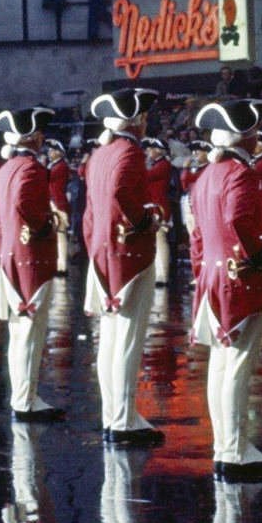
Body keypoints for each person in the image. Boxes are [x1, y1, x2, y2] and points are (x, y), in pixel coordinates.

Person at [189, 98, 262, 481]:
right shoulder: (241, 174)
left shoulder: (205, 175)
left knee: (221, 365)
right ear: (246, 135)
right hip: (238, 277)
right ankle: (235, 450)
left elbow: (197, 235)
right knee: (237, 367)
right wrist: (261, 256)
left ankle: (225, 445)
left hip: (212, 276)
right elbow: (240, 219)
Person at [83, 88, 164, 445]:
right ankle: (123, 420)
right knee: (128, 339)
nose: (146, 121)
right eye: (144, 116)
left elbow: (90, 212)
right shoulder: (130, 152)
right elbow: (121, 196)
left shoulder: (100, 152)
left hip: (101, 249)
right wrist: (144, 220)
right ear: (136, 120)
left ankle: (113, 414)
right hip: (128, 251)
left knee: (110, 339)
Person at [0, 107, 63, 421]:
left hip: (9, 253)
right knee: (30, 331)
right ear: (32, 137)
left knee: (19, 332)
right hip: (30, 256)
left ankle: (22, 395)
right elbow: (26, 205)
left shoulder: (4, 168)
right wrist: (46, 223)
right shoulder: (32, 168)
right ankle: (26, 399)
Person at [142, 137, 174, 285]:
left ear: (158, 151)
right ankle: (156, 272)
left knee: (160, 239)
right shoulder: (156, 164)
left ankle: (163, 275)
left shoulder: (163, 165)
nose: (148, 152)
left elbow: (146, 177)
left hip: (159, 205)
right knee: (154, 241)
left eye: (151, 149)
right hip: (151, 205)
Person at [44, 139, 71, 274]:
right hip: (52, 201)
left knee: (61, 234)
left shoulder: (60, 166)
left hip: (58, 202)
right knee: (56, 234)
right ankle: (58, 263)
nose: (50, 153)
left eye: (53, 150)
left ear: (60, 152)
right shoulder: (53, 165)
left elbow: (46, 177)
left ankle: (62, 265)